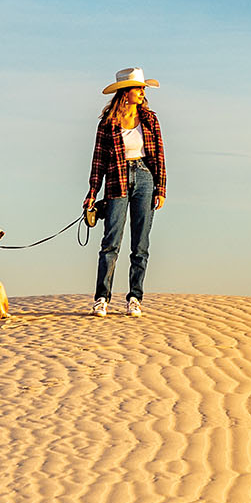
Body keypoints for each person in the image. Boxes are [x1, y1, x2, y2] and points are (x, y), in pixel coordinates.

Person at [85, 67, 166, 316]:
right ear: (125, 92)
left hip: (145, 178)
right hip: (116, 181)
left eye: (143, 88)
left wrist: (160, 188)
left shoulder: (150, 119)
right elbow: (98, 161)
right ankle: (102, 298)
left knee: (140, 244)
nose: (142, 92)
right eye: (138, 88)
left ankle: (135, 298)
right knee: (111, 242)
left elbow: (159, 156)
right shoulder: (108, 123)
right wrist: (91, 192)